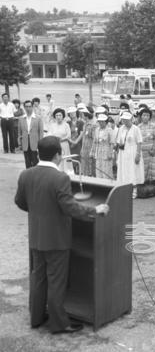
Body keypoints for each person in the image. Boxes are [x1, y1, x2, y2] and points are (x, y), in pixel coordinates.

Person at [14, 136, 109, 334]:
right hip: (57, 239)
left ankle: (37, 318)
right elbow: (71, 208)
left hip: (37, 236)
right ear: (58, 155)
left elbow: (21, 202)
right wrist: (96, 210)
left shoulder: (26, 174)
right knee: (56, 282)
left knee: (38, 278)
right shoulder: (60, 178)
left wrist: (39, 213)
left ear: (39, 153)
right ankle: (59, 324)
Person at [116, 111, 144, 198]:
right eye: (123, 120)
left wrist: (138, 154)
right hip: (123, 152)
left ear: (131, 120)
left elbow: (139, 142)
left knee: (133, 171)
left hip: (133, 152)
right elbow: (118, 141)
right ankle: (124, 189)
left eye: (126, 120)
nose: (125, 121)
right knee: (124, 170)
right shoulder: (121, 129)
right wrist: (117, 153)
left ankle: (134, 190)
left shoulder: (136, 128)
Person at [71, 107, 96, 177]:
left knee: (91, 167)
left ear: (86, 115)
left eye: (82, 114)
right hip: (84, 148)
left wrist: (92, 151)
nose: (81, 116)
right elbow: (84, 137)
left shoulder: (93, 125)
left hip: (90, 149)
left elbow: (94, 139)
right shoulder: (85, 124)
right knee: (84, 166)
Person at [138, 108, 155, 187]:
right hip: (142, 152)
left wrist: (153, 149)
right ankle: (144, 186)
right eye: (144, 115)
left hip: (152, 151)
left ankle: (154, 187)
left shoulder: (153, 125)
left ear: (150, 117)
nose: (145, 117)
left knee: (153, 169)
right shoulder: (138, 127)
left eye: (147, 115)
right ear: (141, 116)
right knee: (143, 169)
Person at [47, 108, 74, 174]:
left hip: (64, 145)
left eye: (60, 115)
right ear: (54, 117)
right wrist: (55, 139)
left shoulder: (66, 125)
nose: (58, 117)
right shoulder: (52, 125)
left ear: (63, 116)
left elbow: (69, 135)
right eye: (57, 115)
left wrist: (62, 139)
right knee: (56, 159)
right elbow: (49, 134)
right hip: (55, 145)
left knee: (65, 160)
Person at [18, 100, 43, 168]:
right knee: (27, 161)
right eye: (26, 106)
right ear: (24, 107)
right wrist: (20, 143)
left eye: (29, 106)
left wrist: (40, 144)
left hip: (35, 143)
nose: (28, 108)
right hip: (25, 142)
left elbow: (41, 132)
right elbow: (19, 132)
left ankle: (36, 176)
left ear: (32, 107)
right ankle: (28, 176)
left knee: (35, 161)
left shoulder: (38, 118)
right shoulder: (21, 118)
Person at [90, 114, 114, 179]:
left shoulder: (109, 130)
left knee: (106, 169)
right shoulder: (97, 130)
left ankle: (107, 184)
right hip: (98, 151)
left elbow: (112, 143)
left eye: (102, 121)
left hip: (106, 150)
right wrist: (92, 152)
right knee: (98, 168)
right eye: (99, 121)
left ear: (105, 122)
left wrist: (110, 153)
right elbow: (94, 142)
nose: (101, 123)